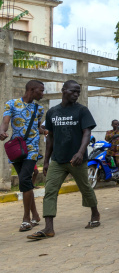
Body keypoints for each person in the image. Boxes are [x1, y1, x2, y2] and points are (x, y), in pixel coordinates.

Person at [27, 80, 99, 240]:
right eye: (73, 91)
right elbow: (50, 137)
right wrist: (46, 161)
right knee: (50, 190)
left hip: (77, 160)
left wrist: (81, 153)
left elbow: (87, 133)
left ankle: (95, 214)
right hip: (58, 160)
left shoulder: (82, 111)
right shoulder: (52, 112)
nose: (76, 94)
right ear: (64, 90)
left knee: (85, 188)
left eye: (78, 92)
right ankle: (48, 228)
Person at [0, 80, 44, 232]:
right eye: (41, 90)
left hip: (32, 149)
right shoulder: (11, 104)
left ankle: (26, 219)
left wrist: (45, 131)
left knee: (25, 179)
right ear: (32, 89)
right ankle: (36, 215)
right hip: (17, 149)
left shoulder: (39, 108)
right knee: (26, 183)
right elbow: (5, 122)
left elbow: (37, 127)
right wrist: (2, 131)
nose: (42, 94)